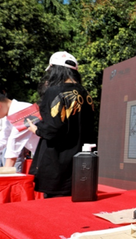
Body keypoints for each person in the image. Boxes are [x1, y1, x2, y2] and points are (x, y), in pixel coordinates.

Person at [26, 51, 95, 198]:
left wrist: (36, 129)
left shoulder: (55, 91)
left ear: (54, 70)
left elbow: (53, 129)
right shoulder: (85, 93)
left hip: (57, 161)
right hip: (80, 161)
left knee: (56, 207)